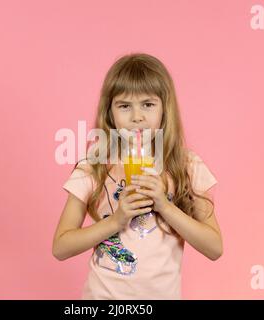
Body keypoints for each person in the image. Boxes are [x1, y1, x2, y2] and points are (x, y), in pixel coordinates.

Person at [52, 53, 223, 299]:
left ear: (165, 109)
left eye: (148, 104)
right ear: (110, 113)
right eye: (124, 106)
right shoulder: (94, 168)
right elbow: (61, 247)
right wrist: (115, 221)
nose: (136, 117)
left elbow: (214, 248)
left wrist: (164, 205)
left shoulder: (185, 166)